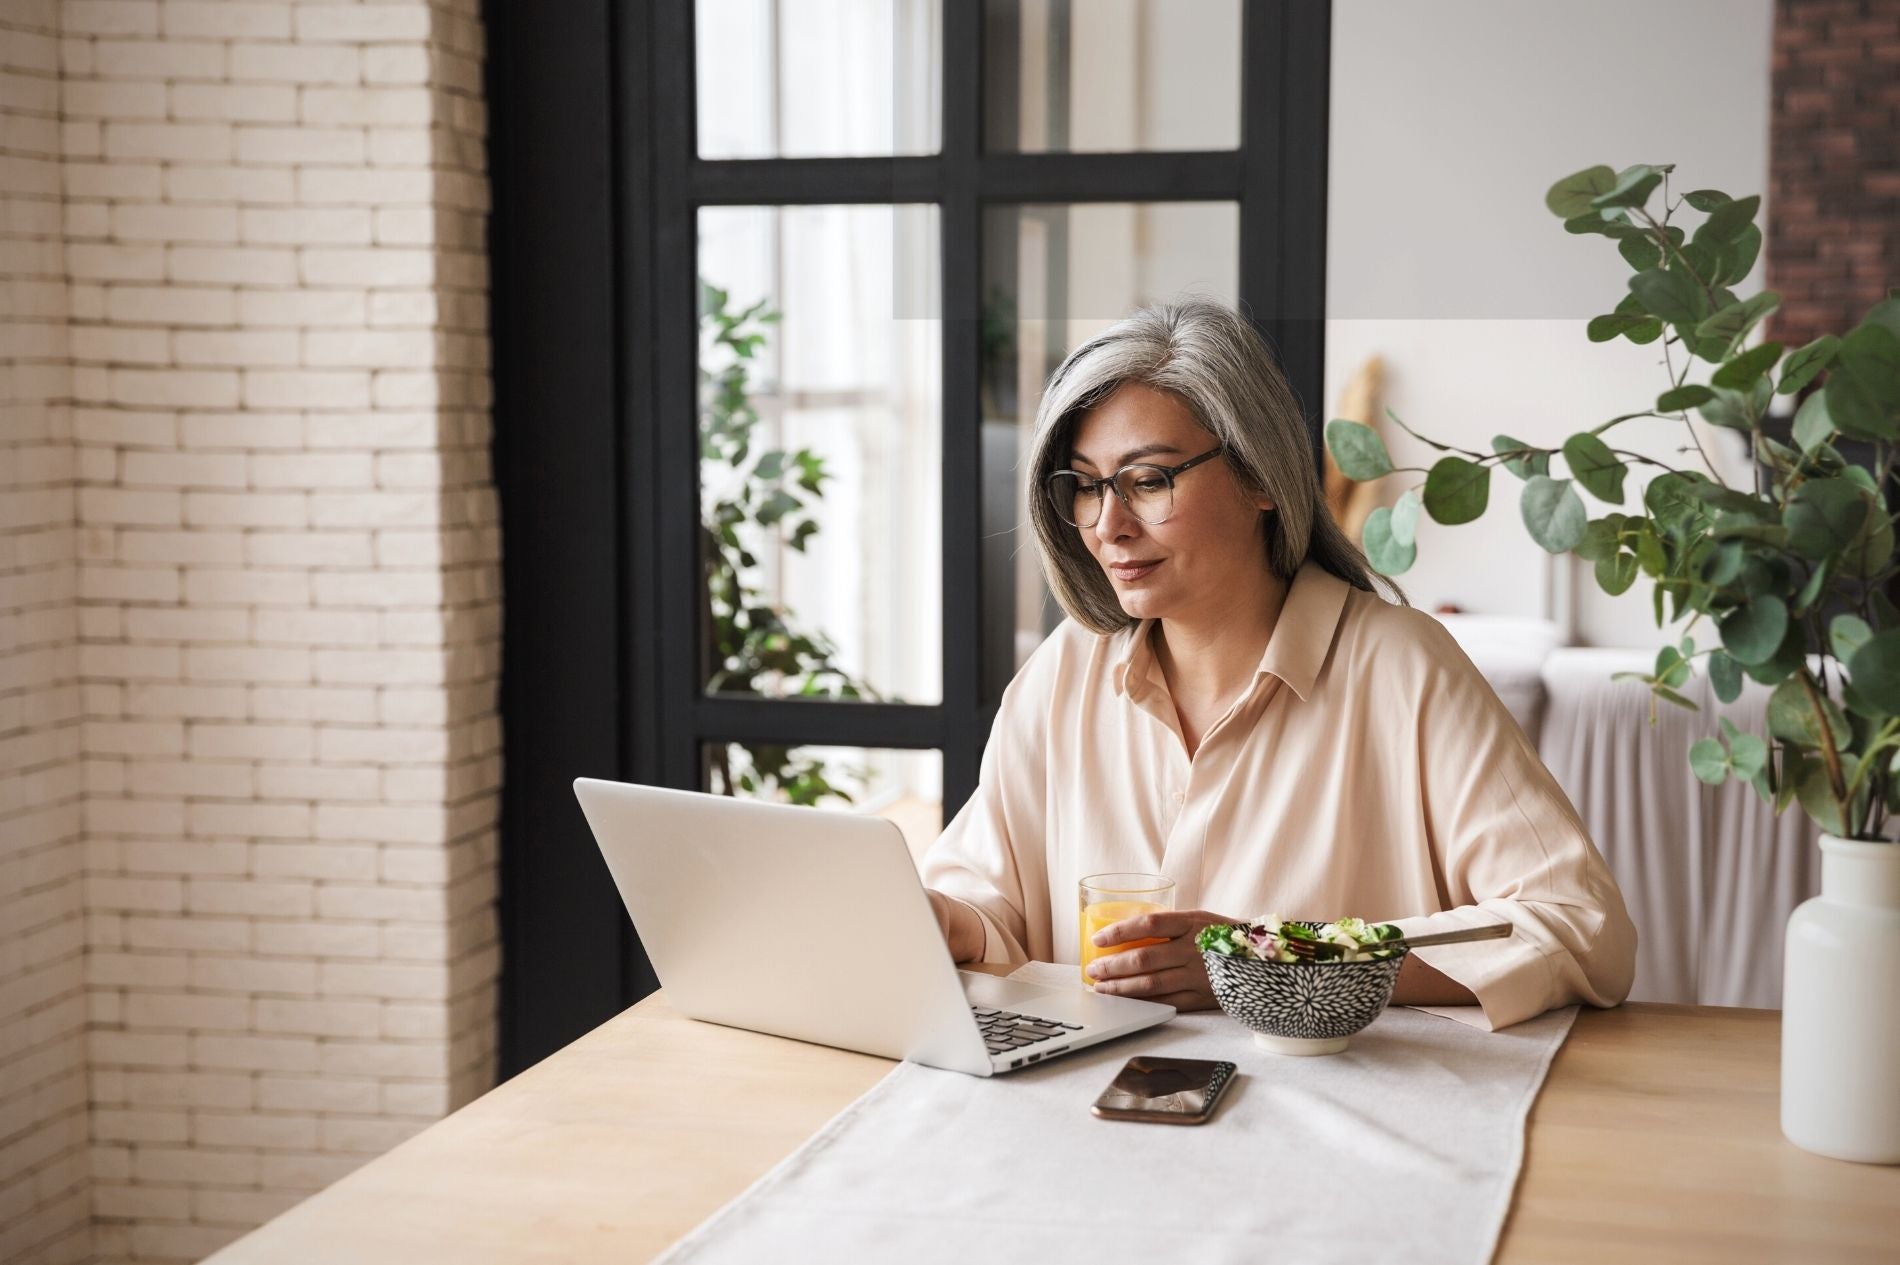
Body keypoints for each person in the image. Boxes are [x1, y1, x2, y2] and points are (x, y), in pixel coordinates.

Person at [921, 297, 1636, 1030]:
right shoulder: (1063, 673)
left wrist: (1274, 964)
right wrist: (948, 921)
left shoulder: (1402, 668)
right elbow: (986, 901)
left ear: (1259, 476)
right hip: (1095, 1113)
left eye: (1148, 480)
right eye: (1088, 485)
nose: (1110, 525)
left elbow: (1579, 926)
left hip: (1345, 1126)